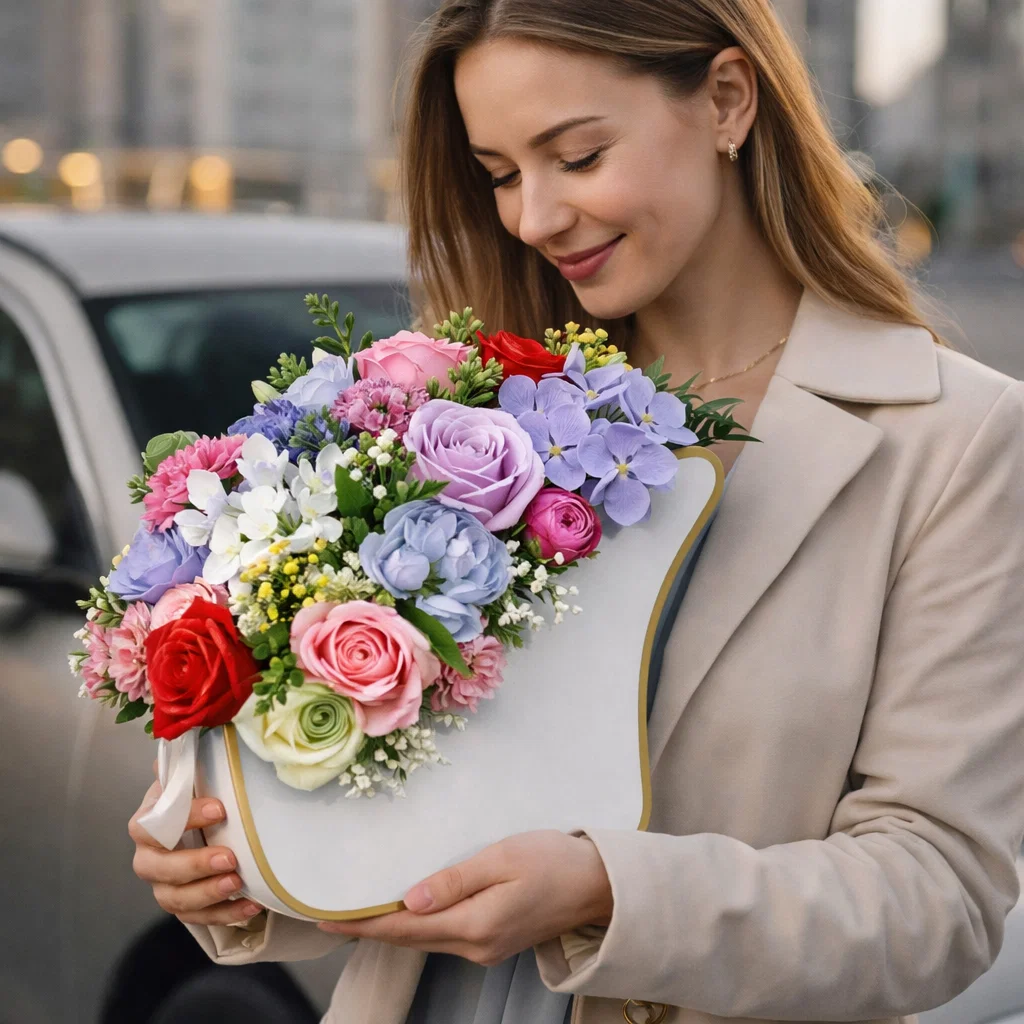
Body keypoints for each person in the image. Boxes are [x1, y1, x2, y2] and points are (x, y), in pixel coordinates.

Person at [129, 1, 1024, 1022]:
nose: (533, 217)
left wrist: (607, 893)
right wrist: (245, 866)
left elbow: (938, 899)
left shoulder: (957, 441)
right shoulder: (462, 407)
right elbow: (417, 806)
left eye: (578, 155)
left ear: (728, 99)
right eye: (502, 174)